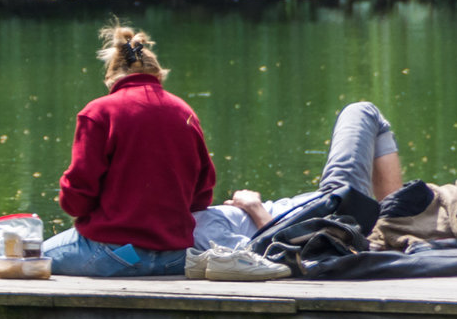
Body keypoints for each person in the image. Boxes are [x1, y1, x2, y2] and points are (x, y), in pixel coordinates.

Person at [43, 26, 215, 277]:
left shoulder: (99, 112)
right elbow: (202, 195)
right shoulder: (184, 111)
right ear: (157, 74)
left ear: (111, 77)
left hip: (116, 255)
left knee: (14, 259)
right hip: (175, 257)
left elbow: (77, 199)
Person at [192, 100, 404, 252]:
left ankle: (393, 221)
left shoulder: (196, 221)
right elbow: (264, 255)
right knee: (363, 111)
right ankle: (396, 221)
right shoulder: (199, 231)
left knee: (364, 113)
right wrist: (255, 208)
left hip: (319, 205)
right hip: (331, 214)